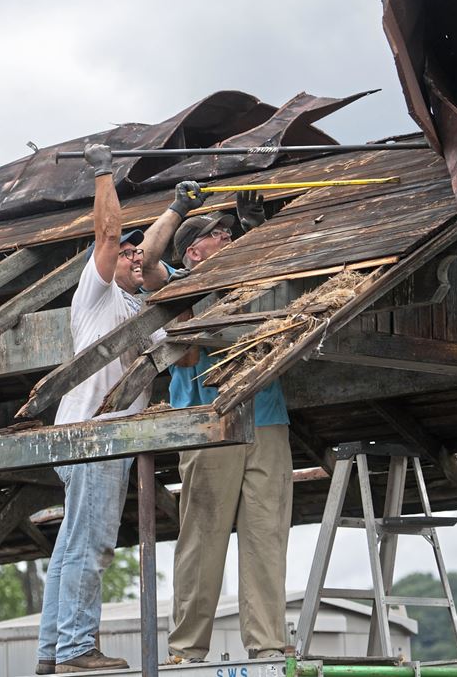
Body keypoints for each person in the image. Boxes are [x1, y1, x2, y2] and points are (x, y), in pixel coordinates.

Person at [139, 182, 292, 664]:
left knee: (266, 535)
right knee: (203, 537)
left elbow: (284, 269)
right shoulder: (177, 282)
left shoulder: (248, 273)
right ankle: (187, 650)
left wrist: (256, 230)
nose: (225, 240)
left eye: (229, 234)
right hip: (209, 422)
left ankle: (267, 644)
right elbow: (144, 262)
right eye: (216, 235)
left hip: (266, 417)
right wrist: (181, 208)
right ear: (191, 251)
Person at [35, 143, 168, 674]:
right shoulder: (100, 294)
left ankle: (53, 651)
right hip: (94, 435)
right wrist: (105, 172)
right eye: (129, 254)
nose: (135, 258)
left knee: (70, 548)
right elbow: (110, 235)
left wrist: (178, 211)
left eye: (142, 254)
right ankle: (74, 649)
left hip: (87, 436)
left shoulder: (146, 314)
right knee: (90, 546)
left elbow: (156, 264)